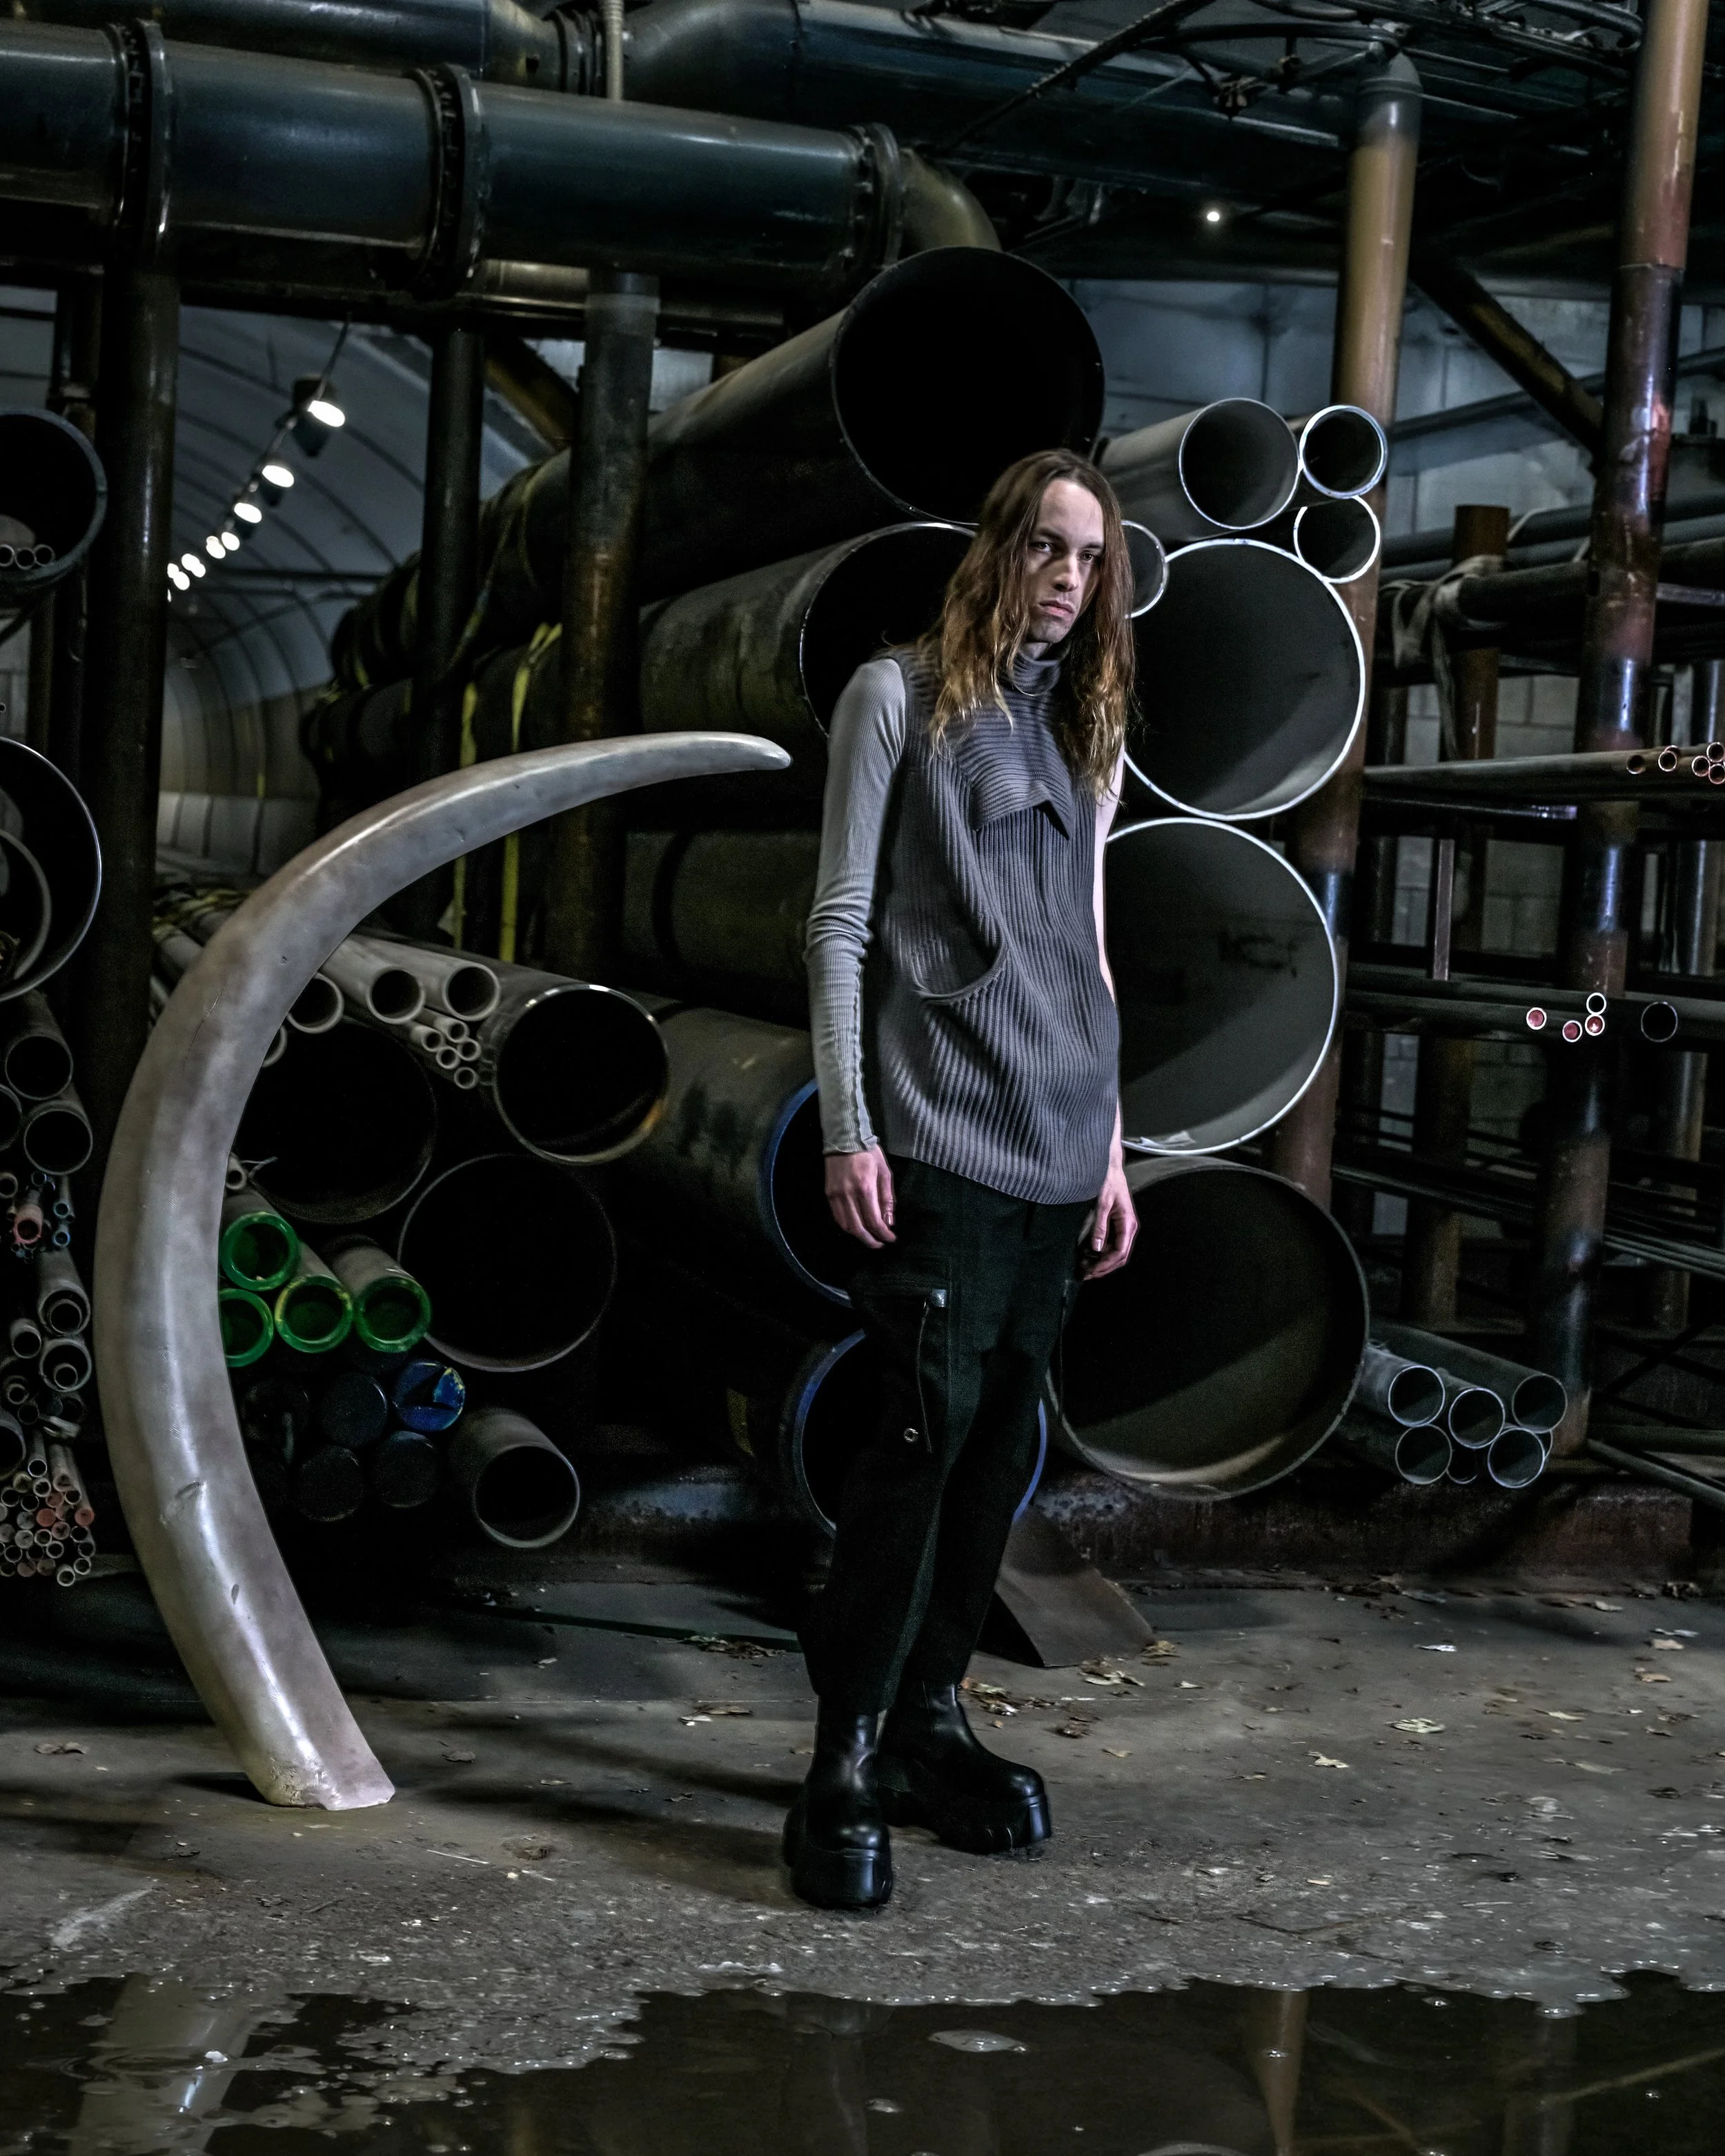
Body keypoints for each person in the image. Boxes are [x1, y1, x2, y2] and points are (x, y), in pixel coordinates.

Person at [789, 447, 1139, 1911]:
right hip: (937, 1135)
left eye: (1089, 559)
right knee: (915, 1447)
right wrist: (845, 1127)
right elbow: (840, 924)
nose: (1067, 577)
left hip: (1060, 1146)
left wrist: (1114, 1141)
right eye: (1047, 547)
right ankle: (841, 1761)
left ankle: (933, 1719)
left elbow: (1091, 938)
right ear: (995, 549)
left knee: (1002, 1448)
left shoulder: (1091, 725)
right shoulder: (893, 700)